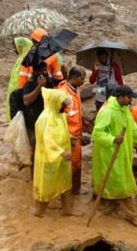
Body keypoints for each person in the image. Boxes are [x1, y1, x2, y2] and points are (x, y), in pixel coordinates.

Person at [91, 85, 137, 228]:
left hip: (123, 154)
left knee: (114, 183)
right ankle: (132, 215)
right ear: (121, 97)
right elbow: (97, 133)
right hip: (110, 155)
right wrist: (112, 139)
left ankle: (108, 208)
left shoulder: (124, 110)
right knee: (123, 186)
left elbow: (134, 129)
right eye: (129, 97)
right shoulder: (107, 111)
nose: (131, 101)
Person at [32, 88, 75, 217]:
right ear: (56, 102)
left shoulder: (59, 115)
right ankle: (39, 213)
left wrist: (71, 138)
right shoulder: (45, 118)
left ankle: (67, 211)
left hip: (62, 158)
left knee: (65, 185)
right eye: (63, 104)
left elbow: (61, 132)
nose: (65, 107)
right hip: (48, 158)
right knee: (46, 187)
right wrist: (61, 152)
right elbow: (48, 139)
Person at [56, 65, 89, 194]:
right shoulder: (62, 93)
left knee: (77, 162)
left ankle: (75, 191)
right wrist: (67, 137)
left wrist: (84, 121)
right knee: (69, 165)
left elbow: (76, 110)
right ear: (74, 78)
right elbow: (58, 117)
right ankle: (67, 192)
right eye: (82, 79)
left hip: (77, 134)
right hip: (68, 137)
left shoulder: (76, 89)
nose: (83, 81)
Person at [10, 61, 52, 154]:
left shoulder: (48, 81)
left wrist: (64, 76)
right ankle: (32, 167)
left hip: (45, 121)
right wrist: (39, 87)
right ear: (37, 72)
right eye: (44, 70)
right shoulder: (30, 84)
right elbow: (26, 101)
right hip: (32, 123)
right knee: (34, 149)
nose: (46, 72)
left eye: (47, 69)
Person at [5, 37, 33, 121]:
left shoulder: (27, 58)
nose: (14, 50)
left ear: (21, 47)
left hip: (23, 91)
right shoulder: (21, 57)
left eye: (16, 47)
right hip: (16, 91)